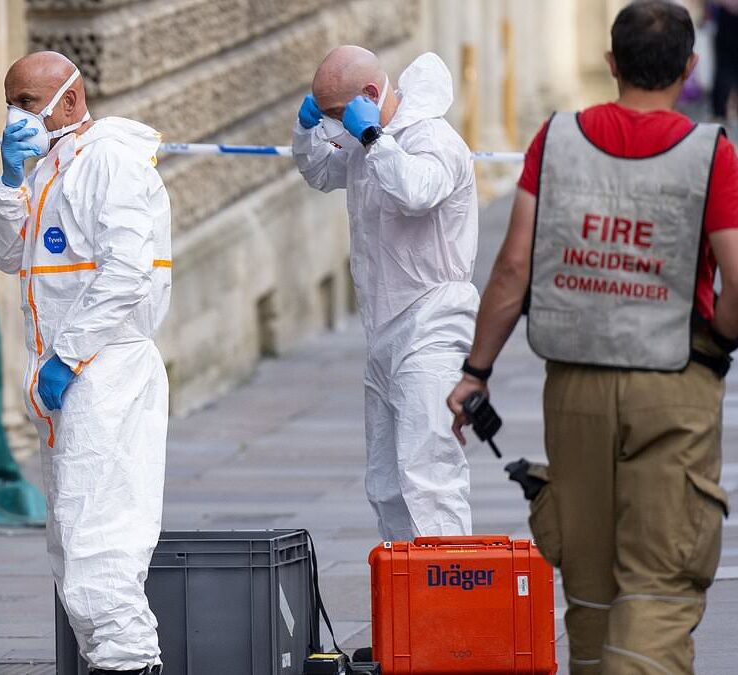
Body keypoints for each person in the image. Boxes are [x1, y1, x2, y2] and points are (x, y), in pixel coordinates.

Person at [447, 2, 738, 672]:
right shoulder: (709, 153)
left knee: (590, 585)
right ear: (690, 69)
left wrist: (476, 372)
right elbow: (734, 273)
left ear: (611, 64)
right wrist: (719, 337)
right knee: (659, 583)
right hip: (673, 382)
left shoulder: (558, 139)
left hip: (574, 385)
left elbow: (513, 266)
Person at [0, 51, 171, 675]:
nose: (16, 115)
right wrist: (9, 183)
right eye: (10, 102)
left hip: (104, 368)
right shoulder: (48, 169)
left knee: (100, 536)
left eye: (27, 103)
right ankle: (110, 660)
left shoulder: (109, 162)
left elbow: (126, 274)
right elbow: (9, 256)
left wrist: (67, 357)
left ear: (70, 100)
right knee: (71, 536)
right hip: (71, 374)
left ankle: (130, 662)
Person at [293, 47, 479, 541]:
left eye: (335, 114)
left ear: (370, 97)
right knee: (388, 484)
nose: (334, 126)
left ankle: (447, 602)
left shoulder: (432, 139)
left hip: (433, 326)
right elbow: (319, 172)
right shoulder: (366, 145)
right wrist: (307, 129)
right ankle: (409, 603)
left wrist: (373, 136)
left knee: (430, 478)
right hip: (384, 329)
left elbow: (417, 192)